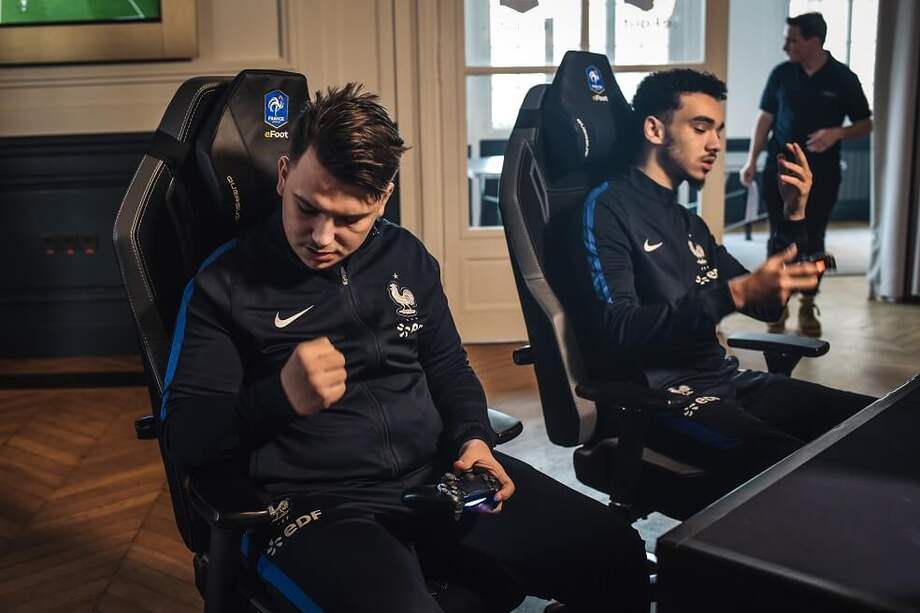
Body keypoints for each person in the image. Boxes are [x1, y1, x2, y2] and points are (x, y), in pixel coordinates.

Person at [161, 84, 650, 613]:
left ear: (383, 197)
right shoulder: (224, 286)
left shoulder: (406, 257)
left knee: (616, 553)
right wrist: (278, 397)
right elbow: (185, 439)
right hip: (317, 509)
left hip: (438, 481)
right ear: (284, 175)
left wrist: (473, 439)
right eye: (307, 207)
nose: (322, 236)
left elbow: (448, 367)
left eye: (349, 219)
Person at [560, 69, 874, 513]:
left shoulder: (687, 222)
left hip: (727, 382)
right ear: (654, 128)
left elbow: (767, 304)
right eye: (700, 127)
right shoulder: (607, 209)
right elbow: (619, 329)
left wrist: (793, 216)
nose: (716, 144)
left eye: (719, 131)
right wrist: (731, 295)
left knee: (876, 424)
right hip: (659, 400)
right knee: (796, 467)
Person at [740, 12, 872, 336]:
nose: (785, 45)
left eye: (792, 40)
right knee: (779, 238)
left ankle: (807, 302)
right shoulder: (782, 74)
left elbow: (866, 123)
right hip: (779, 170)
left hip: (823, 175)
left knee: (814, 240)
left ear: (814, 42)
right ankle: (777, 303)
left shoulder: (843, 77)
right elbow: (765, 119)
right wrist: (751, 160)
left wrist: (836, 134)